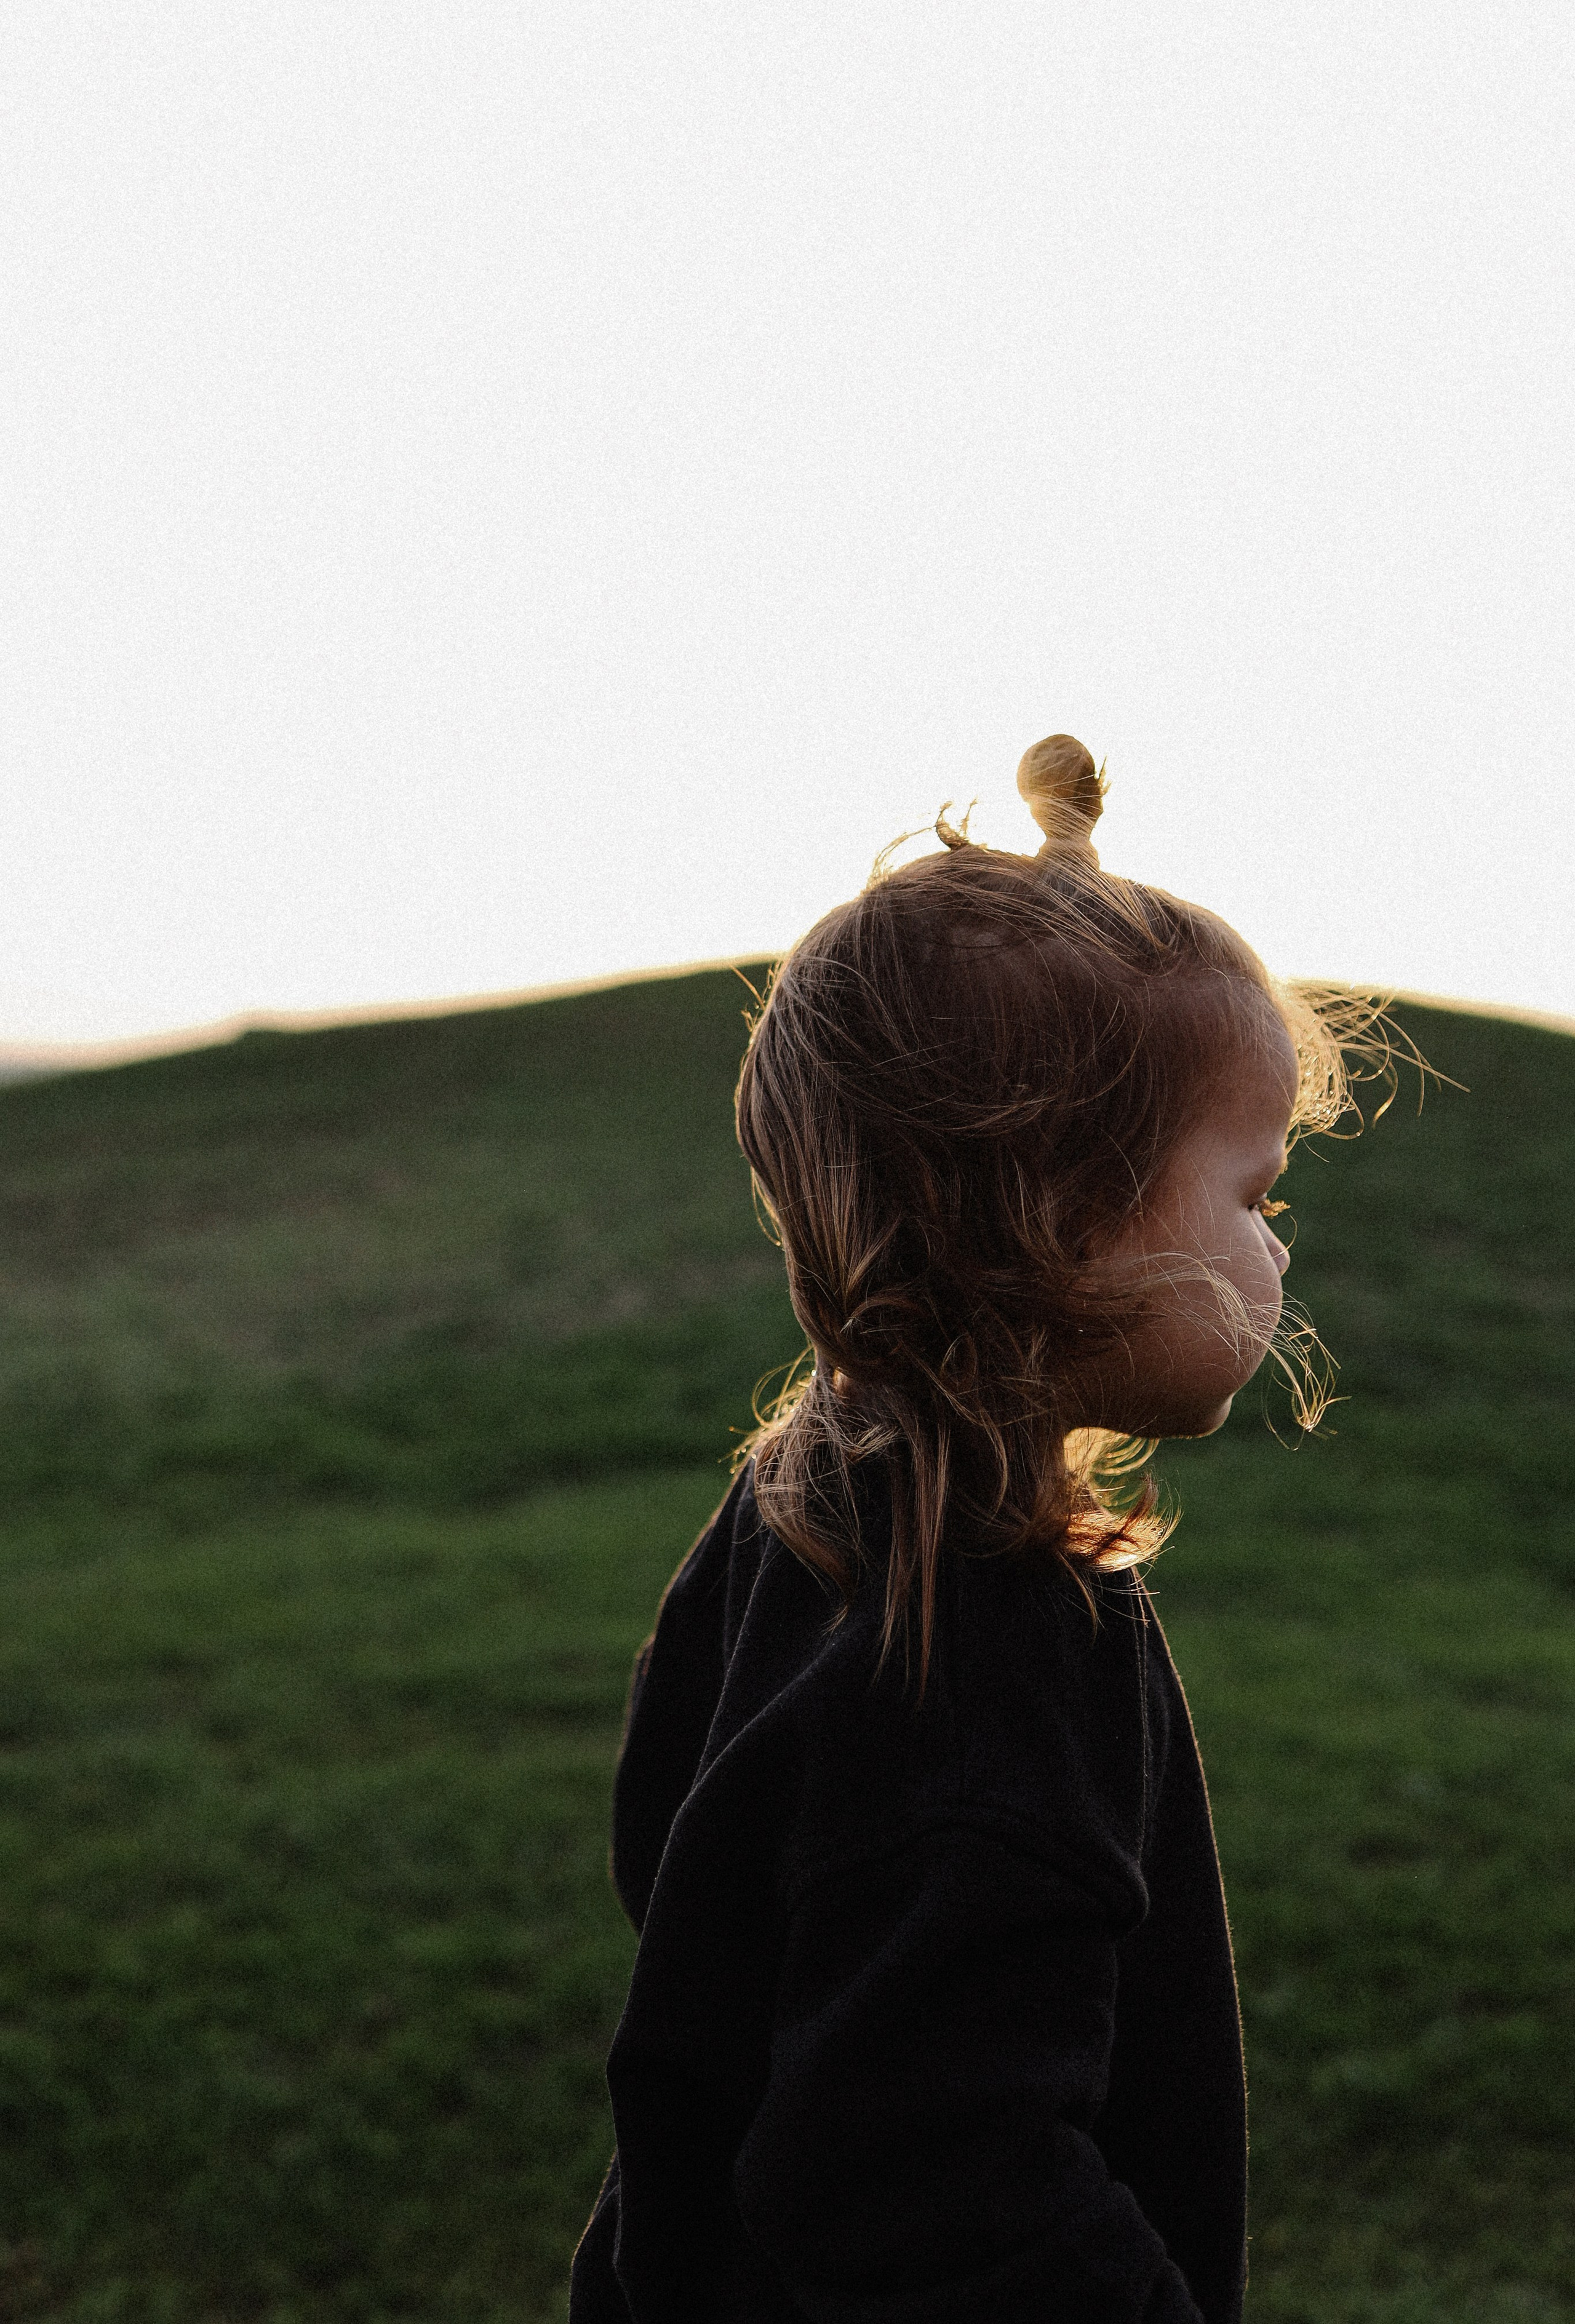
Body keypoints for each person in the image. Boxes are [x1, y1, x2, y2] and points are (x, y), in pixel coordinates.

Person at [570, 736, 1378, 2324]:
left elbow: (676, 1856)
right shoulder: (988, 1643)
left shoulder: (804, 1502)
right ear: (1068, 1226)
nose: (1276, 1246)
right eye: (1251, 1192)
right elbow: (923, 2174)